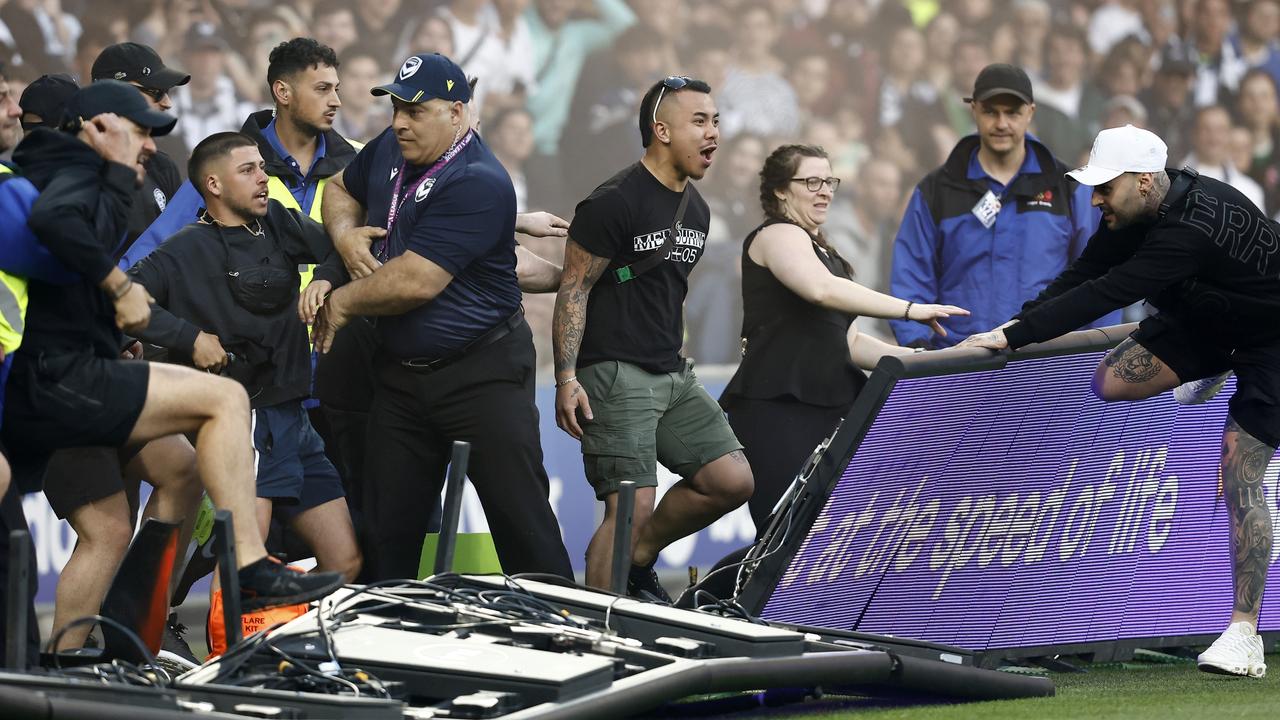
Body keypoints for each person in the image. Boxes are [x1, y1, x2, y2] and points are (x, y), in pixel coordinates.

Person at [0, 81, 344, 631]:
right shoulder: (75, 173)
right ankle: (245, 569)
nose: (151, 147)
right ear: (98, 130)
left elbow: (57, 268)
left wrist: (106, 319)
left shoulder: (77, 173)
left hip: (80, 367)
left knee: (181, 469)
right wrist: (116, 288)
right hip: (57, 379)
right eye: (140, 131)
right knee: (223, 403)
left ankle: (139, 635)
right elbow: (54, 227)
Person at [959, 124, 1277, 678]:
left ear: (1146, 182)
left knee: (1239, 472)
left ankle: (1244, 632)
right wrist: (1012, 325)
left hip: (1272, 340)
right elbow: (1085, 272)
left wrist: (1011, 339)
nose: (1095, 197)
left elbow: (1105, 295)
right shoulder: (1135, 210)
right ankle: (1213, 364)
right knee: (1111, 380)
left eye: (1106, 186)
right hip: (1211, 319)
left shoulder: (1189, 230)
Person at [313, 53, 573, 581]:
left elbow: (416, 281)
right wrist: (344, 238)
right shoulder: (390, 147)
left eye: (416, 110)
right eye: (396, 108)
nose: (400, 122)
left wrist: (342, 300)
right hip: (399, 378)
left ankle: (566, 635)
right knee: (387, 537)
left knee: (523, 526)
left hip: (481, 376)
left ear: (457, 113)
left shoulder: (479, 179)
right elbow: (338, 188)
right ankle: (385, 655)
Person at [129, 131, 362, 589]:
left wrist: (326, 281)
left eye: (263, 167)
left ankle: (289, 654)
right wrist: (189, 337)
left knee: (345, 560)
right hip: (247, 422)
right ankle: (227, 657)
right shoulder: (184, 248)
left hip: (295, 419)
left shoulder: (276, 220)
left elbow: (338, 246)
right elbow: (125, 298)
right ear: (213, 185)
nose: (263, 179)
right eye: (249, 170)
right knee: (242, 569)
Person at [552, 76, 752, 599]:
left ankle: (640, 558)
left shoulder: (700, 211)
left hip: (671, 371)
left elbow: (669, 293)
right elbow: (573, 290)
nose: (714, 134)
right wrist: (567, 377)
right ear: (661, 130)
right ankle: (602, 636)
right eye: (700, 122)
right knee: (630, 507)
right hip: (613, 372)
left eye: (716, 121)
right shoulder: (612, 201)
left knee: (731, 481)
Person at [721, 144, 967, 534]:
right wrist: (910, 309)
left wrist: (931, 360)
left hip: (831, 404)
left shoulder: (826, 252)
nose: (825, 191)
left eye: (830, 181)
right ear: (782, 190)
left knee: (834, 534)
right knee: (786, 534)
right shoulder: (777, 234)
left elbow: (849, 343)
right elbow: (819, 289)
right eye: (812, 181)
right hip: (780, 406)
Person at [889, 63, 1121, 349]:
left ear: (1030, 113)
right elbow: (911, 279)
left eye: (1012, 112)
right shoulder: (937, 190)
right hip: (956, 365)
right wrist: (920, 352)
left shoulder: (1069, 189)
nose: (1001, 123)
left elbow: (1099, 279)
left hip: (1043, 364)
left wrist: (1098, 352)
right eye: (990, 111)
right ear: (973, 110)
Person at [90, 42, 189, 251]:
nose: (167, 103)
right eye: (156, 91)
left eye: (168, 91)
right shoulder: (78, 168)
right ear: (113, 90)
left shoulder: (161, 165)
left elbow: (180, 246)